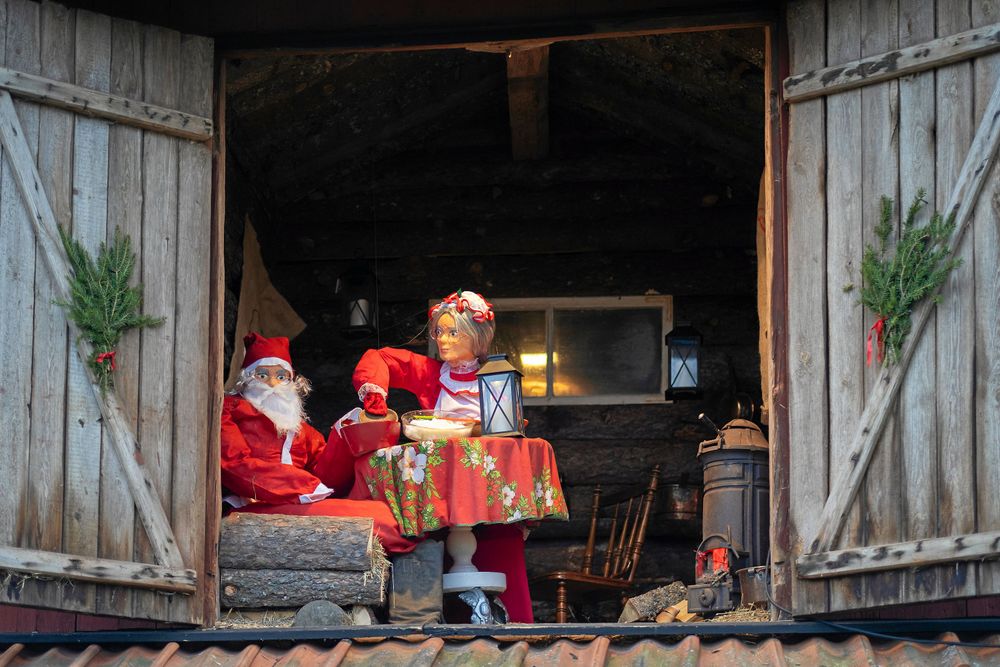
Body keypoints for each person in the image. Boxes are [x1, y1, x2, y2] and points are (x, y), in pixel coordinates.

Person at [351, 290, 535, 623]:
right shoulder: (433, 374)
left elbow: (506, 427)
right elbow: (382, 358)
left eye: (453, 332)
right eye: (439, 332)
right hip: (443, 485)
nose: (443, 341)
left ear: (477, 337)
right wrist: (374, 391)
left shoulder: (497, 376)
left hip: (483, 489)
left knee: (498, 535)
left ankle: (504, 616)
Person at [220, 331, 415, 554]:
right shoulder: (231, 412)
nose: (273, 384)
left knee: (384, 511)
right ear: (246, 380)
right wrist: (299, 486)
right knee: (380, 520)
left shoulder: (299, 428)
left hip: (293, 504)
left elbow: (326, 475)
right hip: (249, 506)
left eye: (281, 376)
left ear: (292, 381)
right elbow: (233, 463)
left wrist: (346, 432)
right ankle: (416, 550)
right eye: (262, 376)